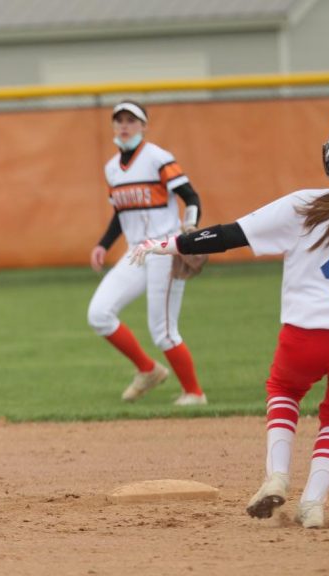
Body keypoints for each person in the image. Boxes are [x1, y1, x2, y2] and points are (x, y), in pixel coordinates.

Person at [129, 114, 329, 528]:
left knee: (284, 392)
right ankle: (313, 505)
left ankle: (277, 476)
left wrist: (168, 244)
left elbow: (230, 234)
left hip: (304, 335)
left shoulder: (305, 205)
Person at [87, 100, 208, 406]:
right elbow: (120, 213)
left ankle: (194, 393)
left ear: (143, 125)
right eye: (119, 121)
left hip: (163, 248)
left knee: (163, 331)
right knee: (99, 314)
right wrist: (103, 244)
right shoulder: (112, 168)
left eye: (131, 120)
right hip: (135, 251)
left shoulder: (158, 158)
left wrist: (189, 230)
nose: (124, 126)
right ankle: (148, 370)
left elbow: (190, 197)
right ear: (114, 127)